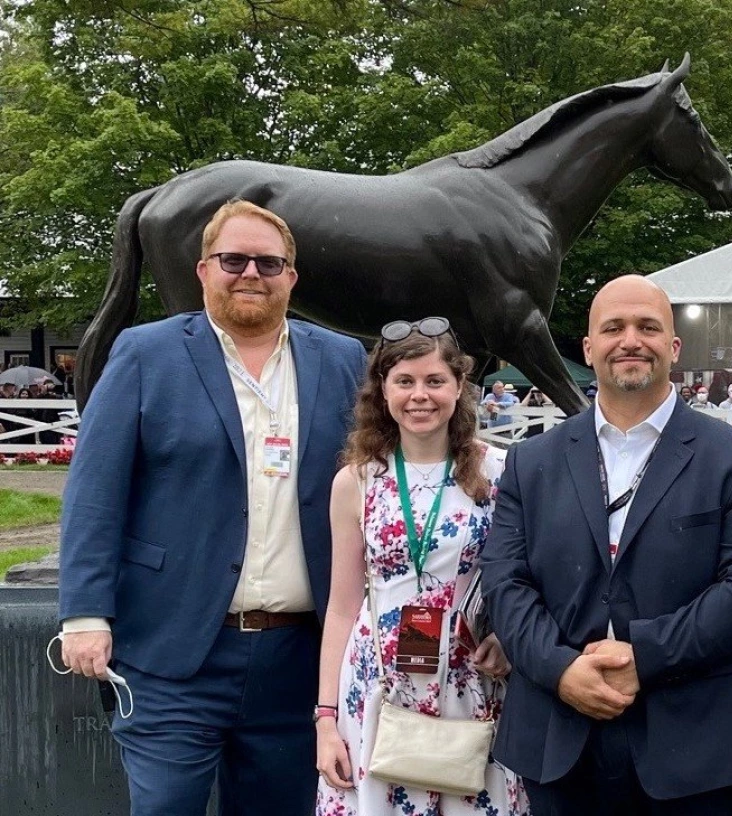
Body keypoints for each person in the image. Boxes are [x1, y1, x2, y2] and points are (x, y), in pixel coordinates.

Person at [57, 200, 368, 816]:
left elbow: (382, 476)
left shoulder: (340, 359)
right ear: (203, 270)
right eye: (233, 259)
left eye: (269, 262)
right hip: (173, 653)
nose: (251, 273)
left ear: (292, 278)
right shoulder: (145, 353)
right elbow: (95, 492)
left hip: (296, 662)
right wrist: (85, 612)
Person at [481, 275, 732, 815]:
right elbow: (505, 583)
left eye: (648, 327)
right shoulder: (531, 462)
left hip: (695, 738)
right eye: (613, 328)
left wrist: (644, 656)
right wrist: (560, 669)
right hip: (560, 734)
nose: (630, 340)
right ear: (588, 348)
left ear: (673, 347)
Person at [314, 320, 528, 816]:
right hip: (378, 682)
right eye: (404, 381)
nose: (420, 396)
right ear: (382, 391)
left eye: (434, 381)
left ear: (458, 387)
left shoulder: (501, 472)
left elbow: (526, 579)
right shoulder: (357, 481)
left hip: (470, 681)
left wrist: (508, 637)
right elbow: (342, 606)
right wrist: (326, 719)